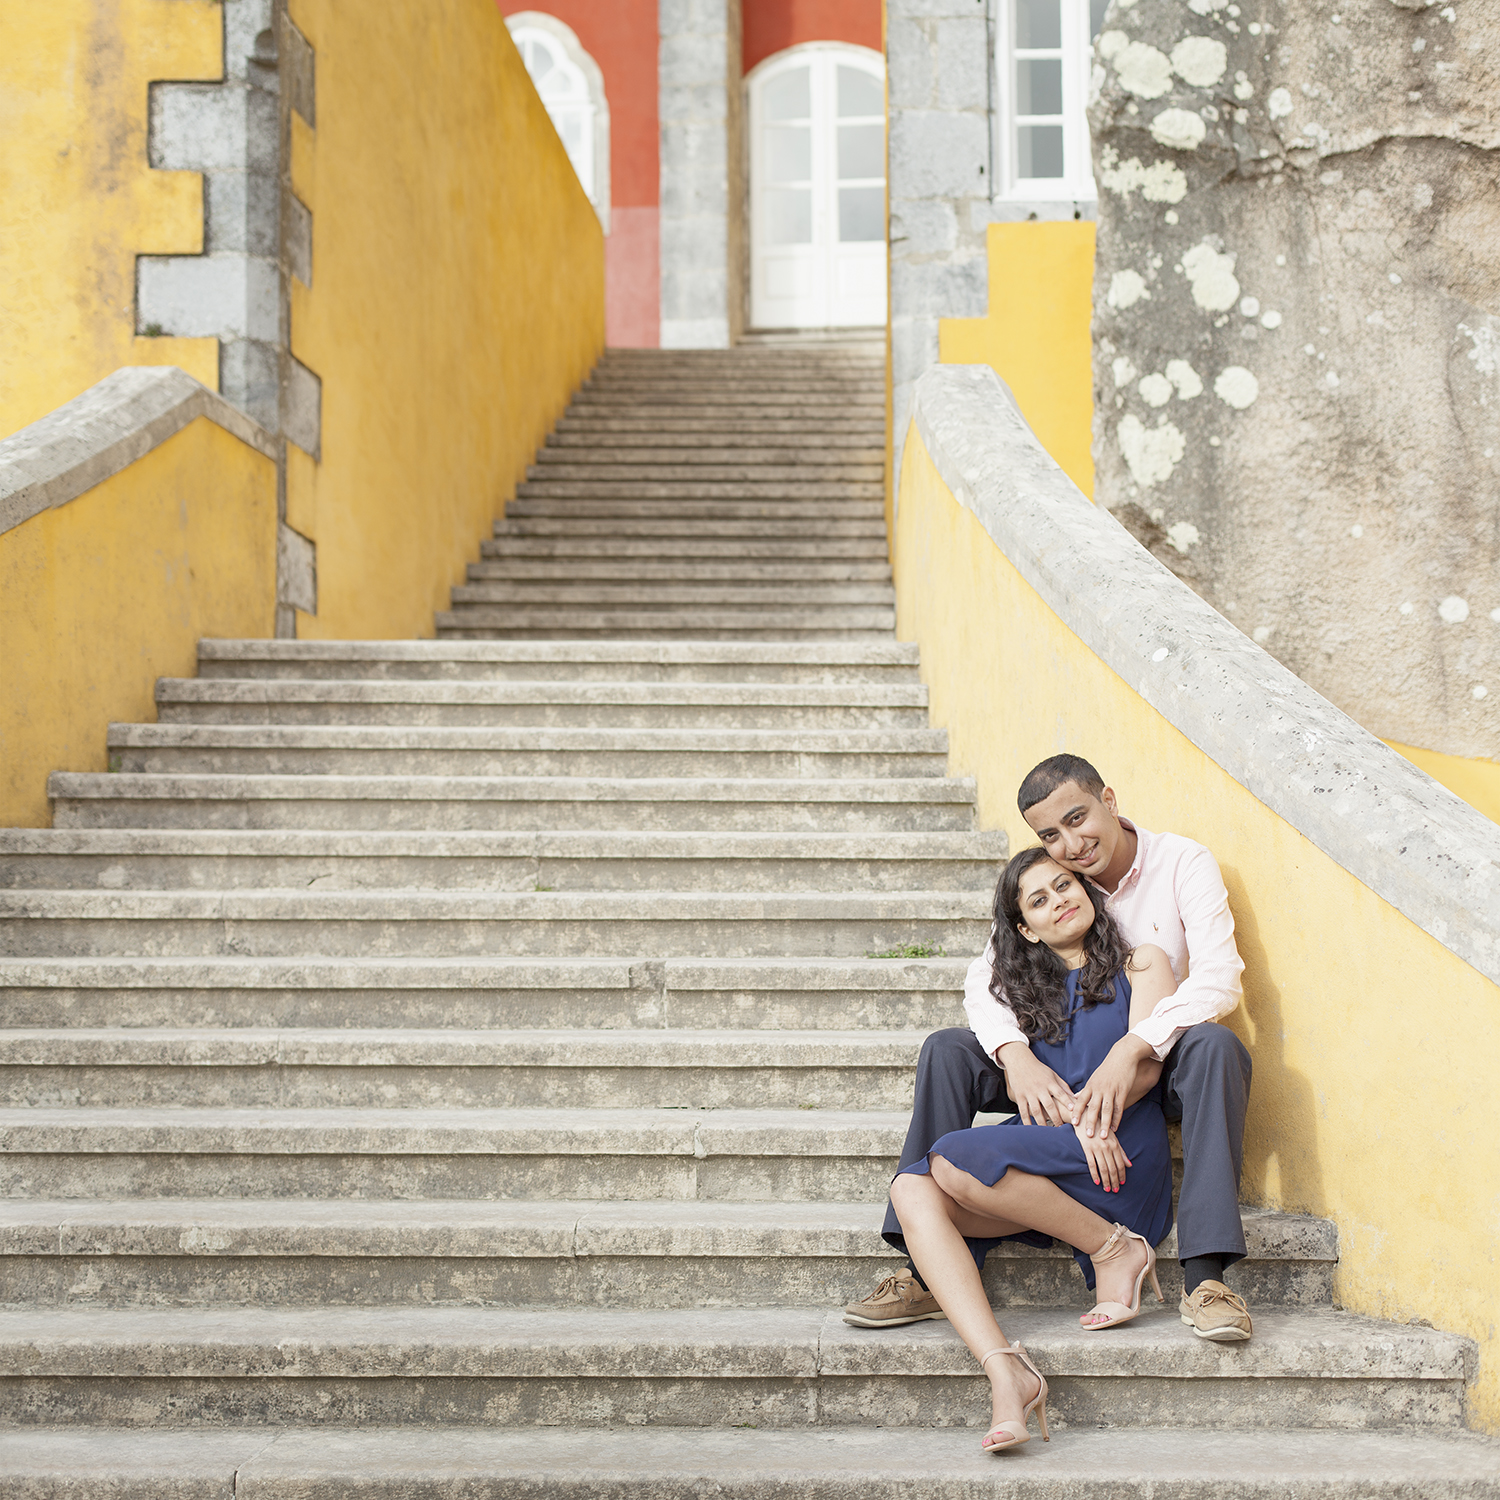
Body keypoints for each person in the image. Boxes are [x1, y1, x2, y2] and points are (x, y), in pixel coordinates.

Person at [845, 754, 1254, 1344]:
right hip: (1058, 1081)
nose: (1070, 846)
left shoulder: (1178, 866)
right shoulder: (1047, 891)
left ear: (1109, 801)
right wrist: (1016, 1058)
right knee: (947, 1052)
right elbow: (983, 985)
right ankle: (924, 1272)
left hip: (1158, 1061)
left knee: (1216, 1045)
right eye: (1050, 836)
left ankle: (1206, 1275)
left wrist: (1126, 1055)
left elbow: (1218, 979)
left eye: (1078, 819)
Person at [888, 845, 1176, 1452]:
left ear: (1087, 890)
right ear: (1026, 929)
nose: (1059, 901)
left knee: (949, 1161)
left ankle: (1114, 1247)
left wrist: (1097, 1117)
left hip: (1116, 1146)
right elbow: (981, 1002)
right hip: (1047, 1161)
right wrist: (1016, 1059)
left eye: (1064, 884)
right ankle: (1005, 1370)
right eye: (1038, 900)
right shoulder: (1018, 990)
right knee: (912, 1188)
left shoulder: (1143, 964)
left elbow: (1147, 1066)